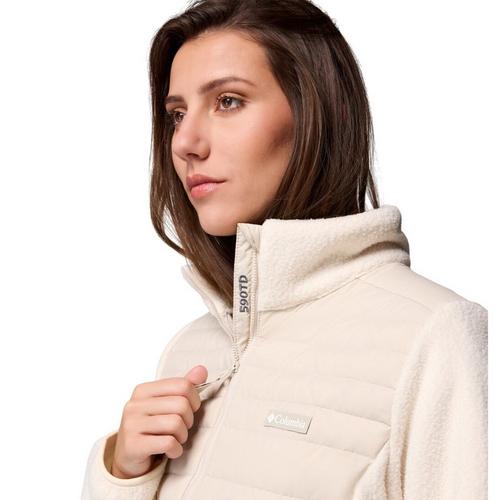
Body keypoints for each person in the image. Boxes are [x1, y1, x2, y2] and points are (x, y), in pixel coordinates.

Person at [80, 1, 488, 499]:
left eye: (228, 101)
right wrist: (123, 475)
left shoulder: (435, 333)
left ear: (315, 113)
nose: (185, 141)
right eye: (176, 114)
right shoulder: (191, 349)